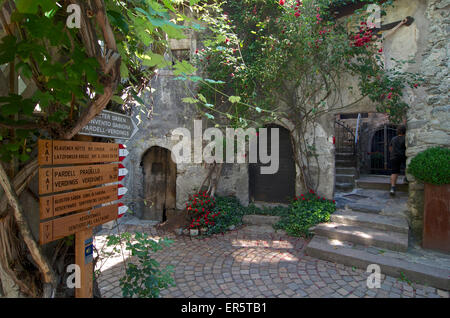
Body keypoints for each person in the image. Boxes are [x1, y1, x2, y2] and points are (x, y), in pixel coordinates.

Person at [389, 125, 407, 195]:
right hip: (403, 156)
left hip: (394, 156)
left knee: (394, 172)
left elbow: (390, 148)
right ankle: (406, 179)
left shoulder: (393, 138)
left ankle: (392, 188)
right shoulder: (405, 138)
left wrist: (393, 153)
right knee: (407, 167)